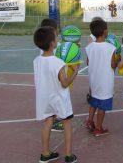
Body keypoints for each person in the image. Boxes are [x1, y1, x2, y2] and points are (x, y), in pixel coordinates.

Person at [33, 26, 79, 163]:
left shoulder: (36, 61)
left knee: (48, 123)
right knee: (67, 123)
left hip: (44, 98)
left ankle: (45, 154)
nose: (58, 39)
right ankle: (69, 155)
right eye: (56, 37)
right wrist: (75, 72)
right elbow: (64, 83)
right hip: (59, 98)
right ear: (53, 44)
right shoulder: (59, 63)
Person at [85, 18, 118, 137]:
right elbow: (113, 65)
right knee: (102, 106)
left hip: (94, 80)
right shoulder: (110, 48)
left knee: (94, 102)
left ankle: (90, 121)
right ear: (105, 31)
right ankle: (98, 128)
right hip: (105, 81)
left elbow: (88, 62)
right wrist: (118, 59)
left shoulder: (89, 47)